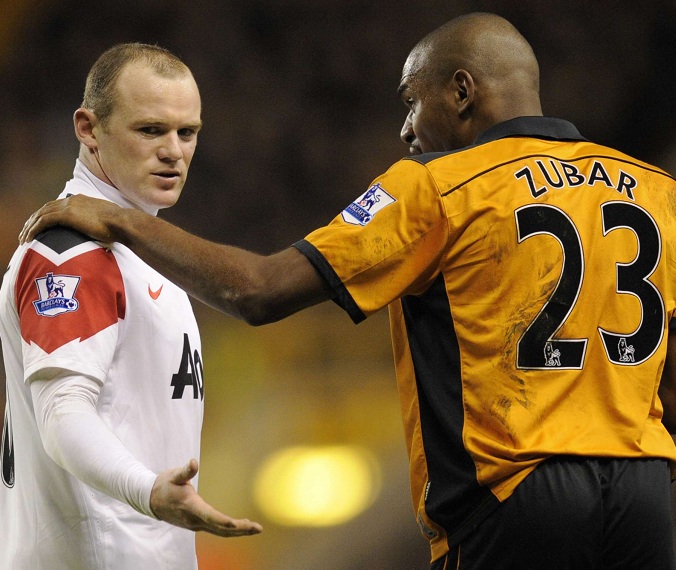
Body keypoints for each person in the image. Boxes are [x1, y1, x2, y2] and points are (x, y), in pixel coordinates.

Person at [18, 13, 676, 569]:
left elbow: (260, 290)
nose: (406, 130)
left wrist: (121, 221)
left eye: (411, 101)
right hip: (647, 493)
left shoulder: (437, 185)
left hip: (515, 493)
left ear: (461, 92)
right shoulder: (657, 190)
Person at [0, 43, 261, 570]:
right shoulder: (73, 253)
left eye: (187, 132)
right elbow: (62, 413)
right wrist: (148, 490)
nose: (173, 151)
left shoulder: (141, 251)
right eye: (150, 130)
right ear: (88, 129)